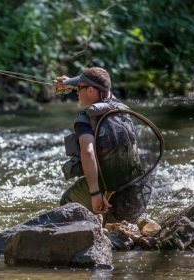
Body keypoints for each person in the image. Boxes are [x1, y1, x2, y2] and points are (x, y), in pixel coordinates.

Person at [55, 67, 152, 223]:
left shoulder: (85, 118)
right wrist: (69, 83)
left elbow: (88, 153)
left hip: (107, 191)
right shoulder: (120, 108)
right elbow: (98, 84)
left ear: (92, 90)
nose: (76, 93)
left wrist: (95, 193)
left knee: (67, 202)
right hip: (132, 189)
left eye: (79, 88)